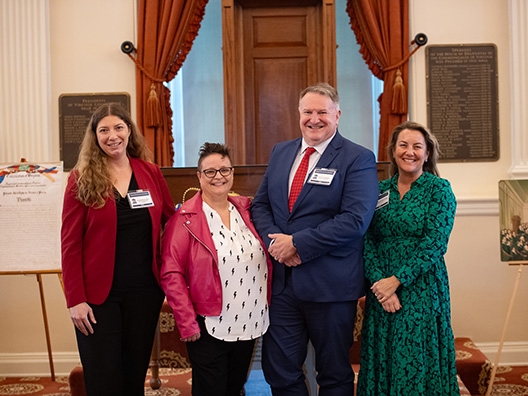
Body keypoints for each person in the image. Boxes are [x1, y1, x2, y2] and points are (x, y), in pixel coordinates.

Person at [250, 82, 379, 395]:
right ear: (299, 114)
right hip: (282, 285)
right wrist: (278, 245)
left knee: (333, 374)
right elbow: (261, 204)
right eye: (308, 111)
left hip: (331, 285)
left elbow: (354, 220)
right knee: (279, 370)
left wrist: (297, 244)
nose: (314, 118)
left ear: (337, 115)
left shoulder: (357, 158)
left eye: (323, 112)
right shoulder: (281, 151)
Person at [61, 103, 175, 396]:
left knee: (133, 374)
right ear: (95, 136)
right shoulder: (81, 178)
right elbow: (70, 244)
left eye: (118, 127)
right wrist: (75, 300)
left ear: (129, 131)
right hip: (98, 298)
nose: (112, 136)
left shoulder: (150, 172)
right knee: (103, 377)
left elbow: (172, 223)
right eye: (104, 130)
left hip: (145, 292)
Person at [160, 143, 273, 396]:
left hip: (249, 320)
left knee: (234, 388)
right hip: (208, 323)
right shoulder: (184, 219)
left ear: (232, 173)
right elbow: (171, 273)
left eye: (224, 170)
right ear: (199, 176)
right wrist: (187, 323)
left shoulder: (248, 210)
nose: (218, 176)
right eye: (210, 171)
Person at [357, 121, 460, 395]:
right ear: (393, 151)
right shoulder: (378, 190)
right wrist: (381, 283)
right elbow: (367, 238)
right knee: (384, 353)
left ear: (427, 154)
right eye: (403, 145)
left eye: (417, 146)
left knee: (414, 356)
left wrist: (397, 280)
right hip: (381, 291)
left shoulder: (439, 189)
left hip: (422, 288)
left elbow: (435, 243)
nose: (409, 152)